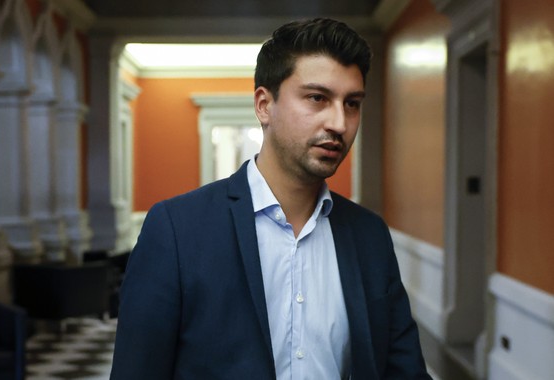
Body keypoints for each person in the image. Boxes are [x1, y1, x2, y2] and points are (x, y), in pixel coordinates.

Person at [110, 18, 431, 380]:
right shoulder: (177, 230)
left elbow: (403, 371)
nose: (340, 123)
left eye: (352, 103)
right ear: (264, 105)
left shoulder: (369, 235)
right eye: (317, 98)